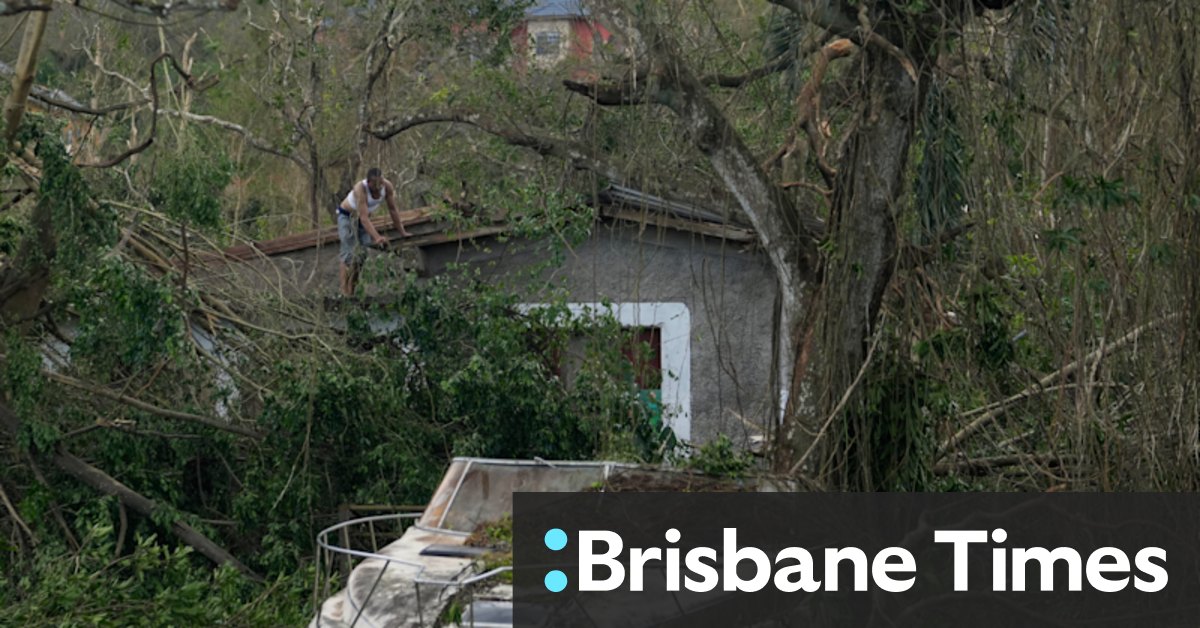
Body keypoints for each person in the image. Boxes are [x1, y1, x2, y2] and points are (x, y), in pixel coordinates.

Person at [336, 168, 410, 296]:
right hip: (347, 217)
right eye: (376, 185)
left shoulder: (387, 186)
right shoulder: (360, 189)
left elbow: (393, 210)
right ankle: (344, 292)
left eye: (380, 183)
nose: (379, 187)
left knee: (362, 255)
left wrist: (402, 232)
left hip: (363, 219)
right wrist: (377, 237)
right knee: (349, 254)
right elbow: (364, 218)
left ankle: (352, 291)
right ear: (369, 182)